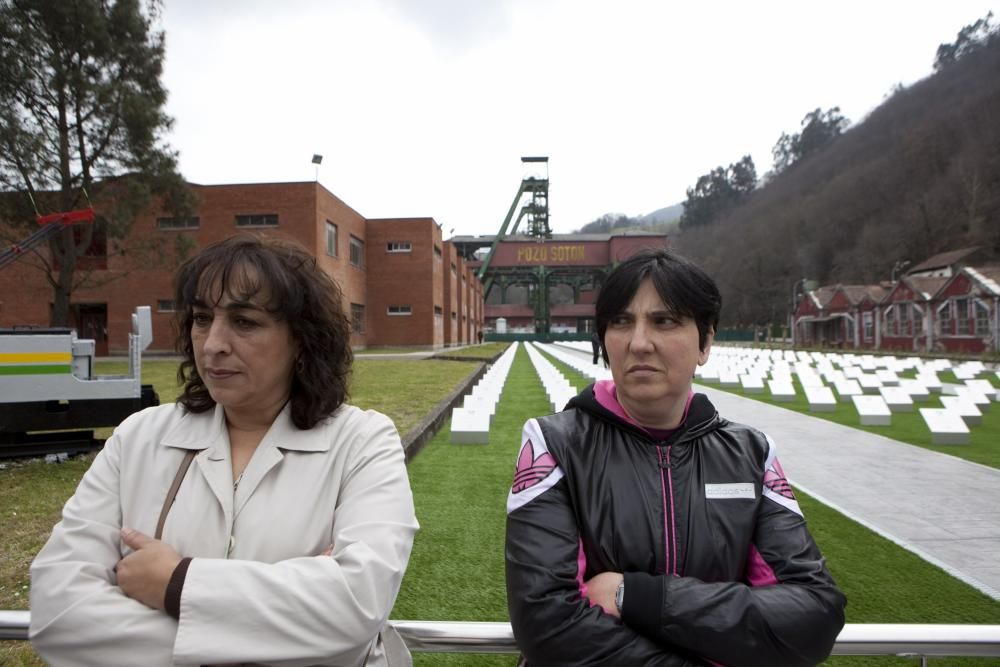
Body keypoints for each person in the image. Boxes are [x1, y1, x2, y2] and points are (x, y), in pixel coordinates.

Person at [30, 235, 419, 666]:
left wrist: (175, 584)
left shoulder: (362, 443)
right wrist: (290, 630)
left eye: (244, 321)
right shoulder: (139, 437)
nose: (213, 343)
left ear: (302, 340)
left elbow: (354, 608)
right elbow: (59, 610)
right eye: (201, 318)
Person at [505, 248, 846, 666]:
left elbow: (812, 611)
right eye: (621, 322)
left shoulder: (752, 454)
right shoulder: (554, 444)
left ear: (705, 341)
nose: (639, 342)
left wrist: (640, 597)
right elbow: (548, 623)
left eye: (664, 321)